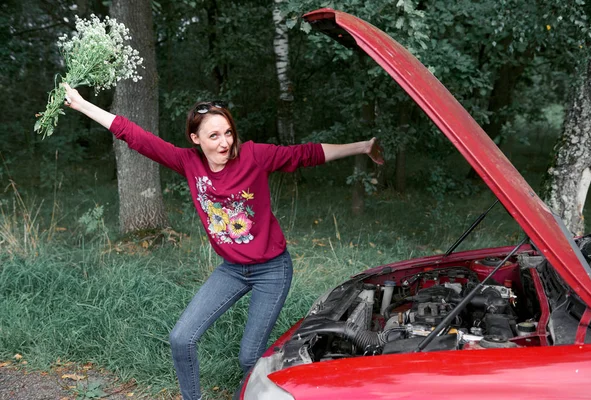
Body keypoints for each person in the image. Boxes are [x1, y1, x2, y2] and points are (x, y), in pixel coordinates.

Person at [61, 83, 383, 400]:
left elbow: (307, 154)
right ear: (195, 138)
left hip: (271, 269)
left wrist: (363, 147)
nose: (225, 142)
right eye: (214, 135)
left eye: (228, 132)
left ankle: (286, 389)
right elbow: (134, 135)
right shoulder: (188, 163)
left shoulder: (254, 156)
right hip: (232, 269)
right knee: (181, 338)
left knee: (248, 358)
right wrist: (81, 104)